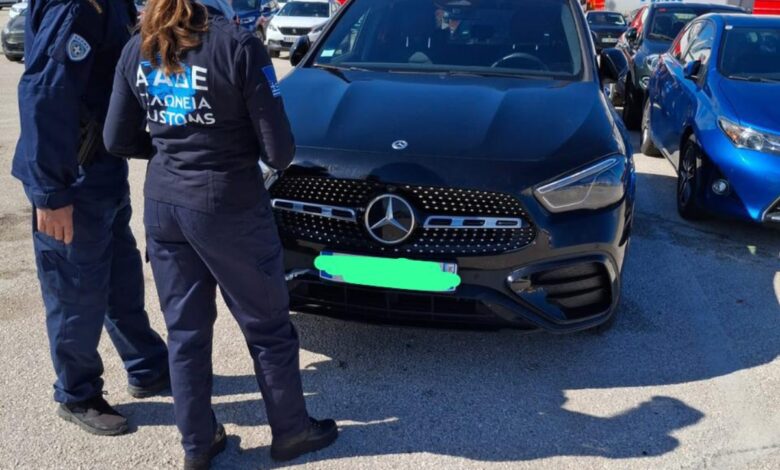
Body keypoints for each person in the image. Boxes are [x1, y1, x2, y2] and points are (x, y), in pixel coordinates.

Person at [103, 0, 338, 468]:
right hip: (230, 206)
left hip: (165, 205)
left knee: (185, 334)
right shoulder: (238, 46)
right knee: (267, 327)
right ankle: (291, 431)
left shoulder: (139, 47)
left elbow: (117, 139)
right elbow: (279, 151)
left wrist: (171, 145)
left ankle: (197, 445)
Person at [11, 0, 170, 436]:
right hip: (71, 176)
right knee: (75, 291)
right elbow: (45, 92)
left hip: (102, 168)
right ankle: (76, 392)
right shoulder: (77, 6)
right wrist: (50, 193)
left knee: (121, 278)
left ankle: (147, 365)